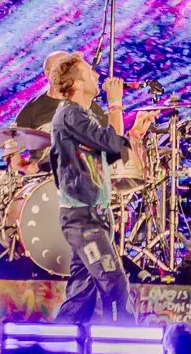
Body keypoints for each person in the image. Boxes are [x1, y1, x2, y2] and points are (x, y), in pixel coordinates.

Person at [47, 54, 153, 324]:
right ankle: (120, 352)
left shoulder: (82, 116)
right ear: (77, 84)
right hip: (83, 218)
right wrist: (115, 103)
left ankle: (58, 348)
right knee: (114, 284)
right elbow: (112, 143)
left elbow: (111, 152)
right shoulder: (70, 113)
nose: (97, 77)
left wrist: (135, 134)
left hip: (92, 215)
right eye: (90, 73)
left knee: (81, 295)